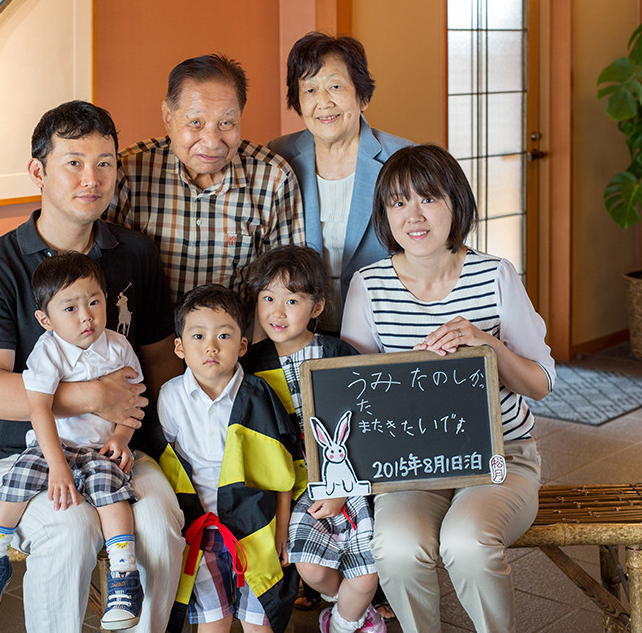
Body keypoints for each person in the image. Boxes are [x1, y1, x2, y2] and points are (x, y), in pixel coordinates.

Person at [0, 100, 186, 631]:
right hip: (17, 454)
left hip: (115, 448)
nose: (92, 179)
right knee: (71, 528)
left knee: (156, 525)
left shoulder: (135, 253)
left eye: (105, 163)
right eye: (74, 163)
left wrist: (134, 431)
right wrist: (95, 396)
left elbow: (159, 365)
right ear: (38, 172)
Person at [340, 145, 555, 633]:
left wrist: (487, 345)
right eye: (398, 203)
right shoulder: (369, 286)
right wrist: (409, 372)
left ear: (456, 202)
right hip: (409, 466)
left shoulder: (494, 275)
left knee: (467, 541)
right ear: (385, 215)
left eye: (428, 199)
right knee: (396, 546)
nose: (413, 216)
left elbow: (541, 383)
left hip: (501, 457)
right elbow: (354, 396)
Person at [0, 252, 145, 628]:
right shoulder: (48, 351)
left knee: (113, 494)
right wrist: (57, 466)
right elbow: (40, 410)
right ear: (45, 320)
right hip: (52, 446)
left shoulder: (119, 347)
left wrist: (122, 438)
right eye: (71, 308)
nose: (86, 317)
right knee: (16, 482)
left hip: (98, 449)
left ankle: (124, 577)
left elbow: (133, 403)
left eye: (94, 302)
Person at [240, 245, 385, 633]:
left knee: (366, 575)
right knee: (312, 568)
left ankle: (344, 621)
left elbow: (365, 423)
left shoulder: (336, 353)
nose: (277, 312)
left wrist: (341, 487)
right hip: (292, 485)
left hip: (347, 478)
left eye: (292, 301)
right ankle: (352, 608)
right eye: (268, 298)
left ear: (317, 306)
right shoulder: (251, 366)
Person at [156, 285, 302, 633]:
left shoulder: (258, 394)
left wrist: (282, 529)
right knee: (213, 624)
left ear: (242, 345)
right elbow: (168, 467)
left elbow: (281, 471)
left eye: (224, 336)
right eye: (198, 336)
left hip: (257, 525)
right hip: (201, 528)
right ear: (179, 347)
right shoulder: (171, 397)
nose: (211, 347)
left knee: (259, 623)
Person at [110, 53, 306, 303]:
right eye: (196, 122)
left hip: (238, 327)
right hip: (145, 328)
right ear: (168, 117)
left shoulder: (273, 179)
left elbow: (286, 290)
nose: (212, 142)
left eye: (226, 123)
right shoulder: (128, 171)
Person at [268, 32, 414, 332]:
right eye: (310, 90)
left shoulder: (402, 159)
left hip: (385, 324)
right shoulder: (279, 157)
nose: (323, 102)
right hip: (301, 331)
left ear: (363, 96)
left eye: (335, 86)